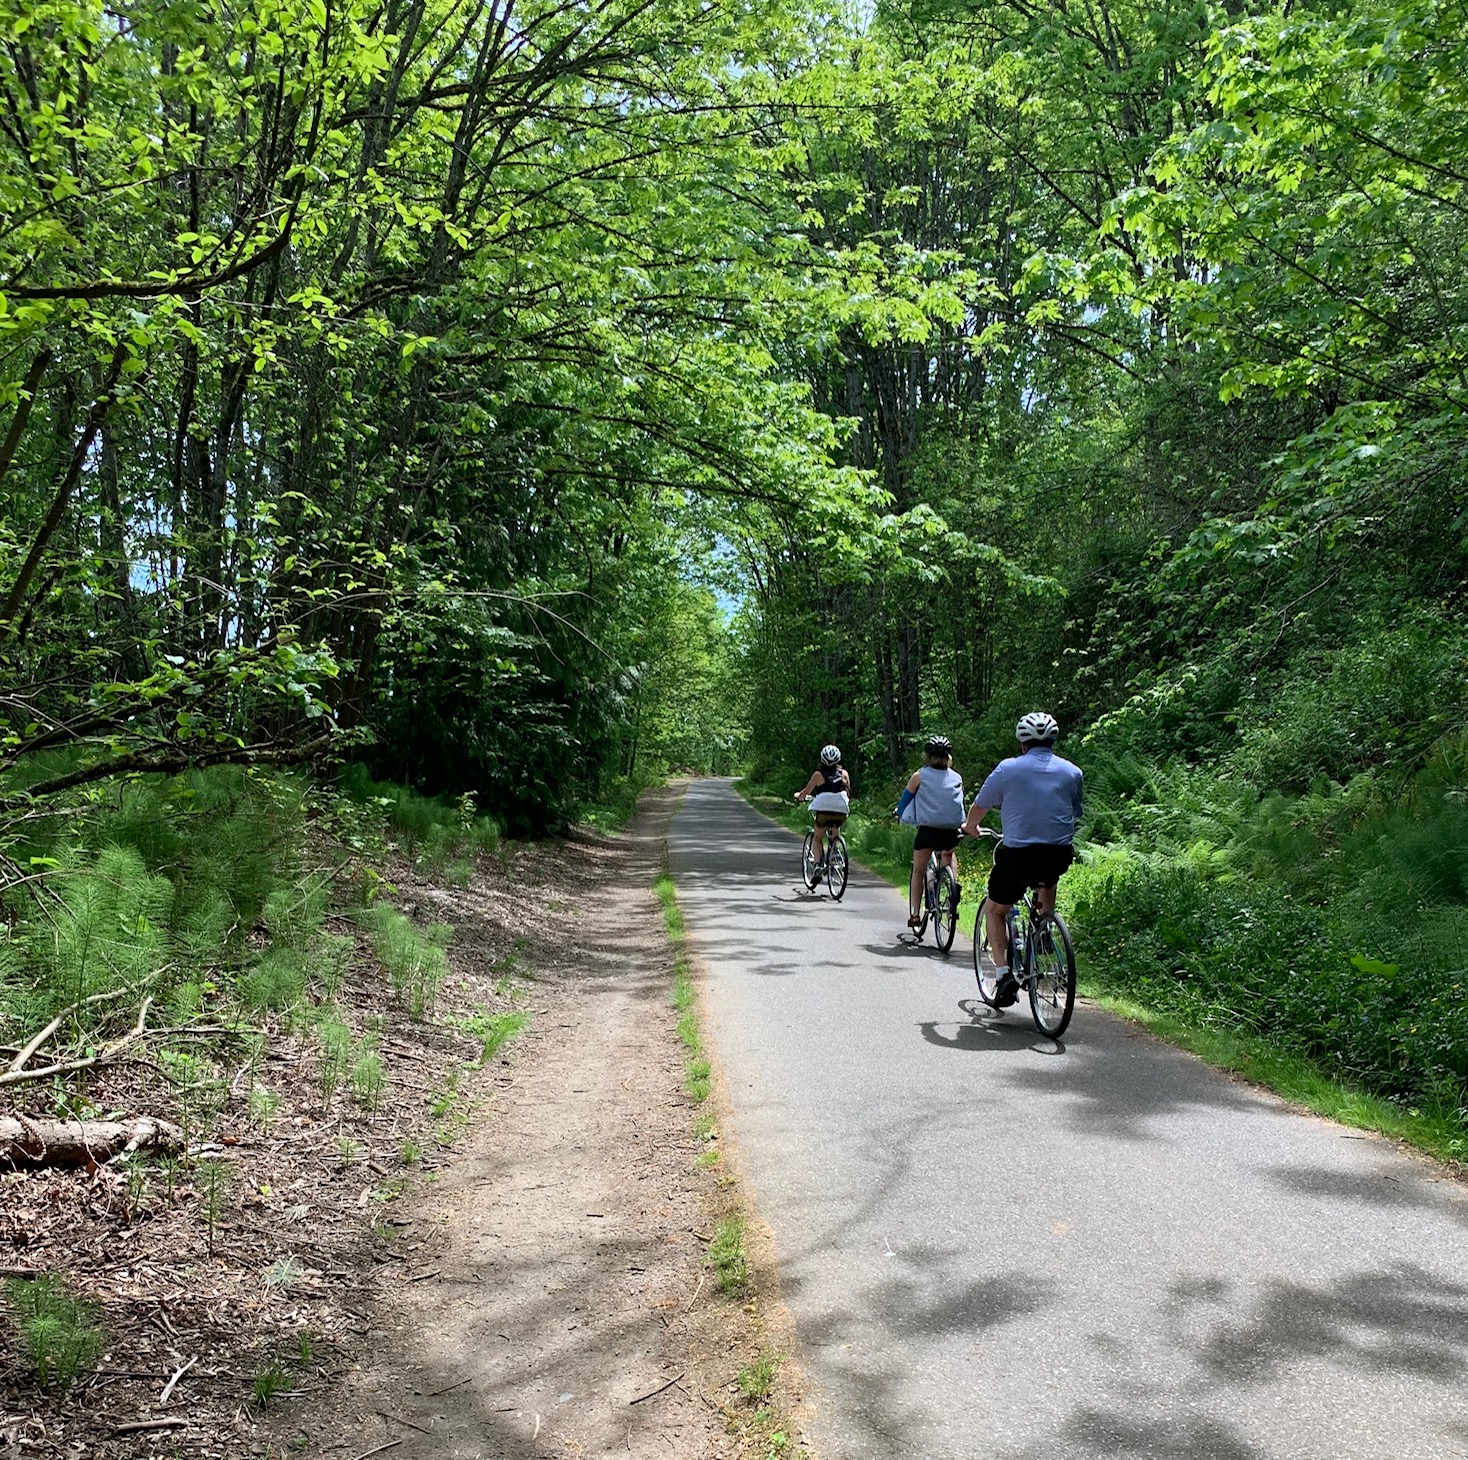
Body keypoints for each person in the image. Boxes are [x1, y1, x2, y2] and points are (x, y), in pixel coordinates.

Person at [963, 711, 1083, 1004]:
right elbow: (1074, 811)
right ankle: (1043, 928)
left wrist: (970, 827)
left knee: (996, 910)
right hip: (1058, 854)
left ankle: (1003, 975)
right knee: (1048, 874)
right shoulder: (1072, 772)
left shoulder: (1007, 769)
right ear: (1053, 740)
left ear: (1022, 743)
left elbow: (979, 806)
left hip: (1019, 856)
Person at [896, 735, 965, 931]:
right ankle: (952, 886)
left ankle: (916, 915)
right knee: (948, 853)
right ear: (948, 757)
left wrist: (899, 812)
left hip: (927, 832)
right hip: (951, 831)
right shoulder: (957, 777)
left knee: (918, 872)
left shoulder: (919, 776)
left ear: (927, 756)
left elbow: (905, 800)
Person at [794, 744, 851, 875]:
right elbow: (847, 793)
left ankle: (817, 866)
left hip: (823, 813)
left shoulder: (818, 775)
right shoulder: (844, 774)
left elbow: (806, 792)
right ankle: (835, 849)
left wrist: (799, 796)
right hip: (841, 812)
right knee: (836, 822)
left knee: (817, 838)